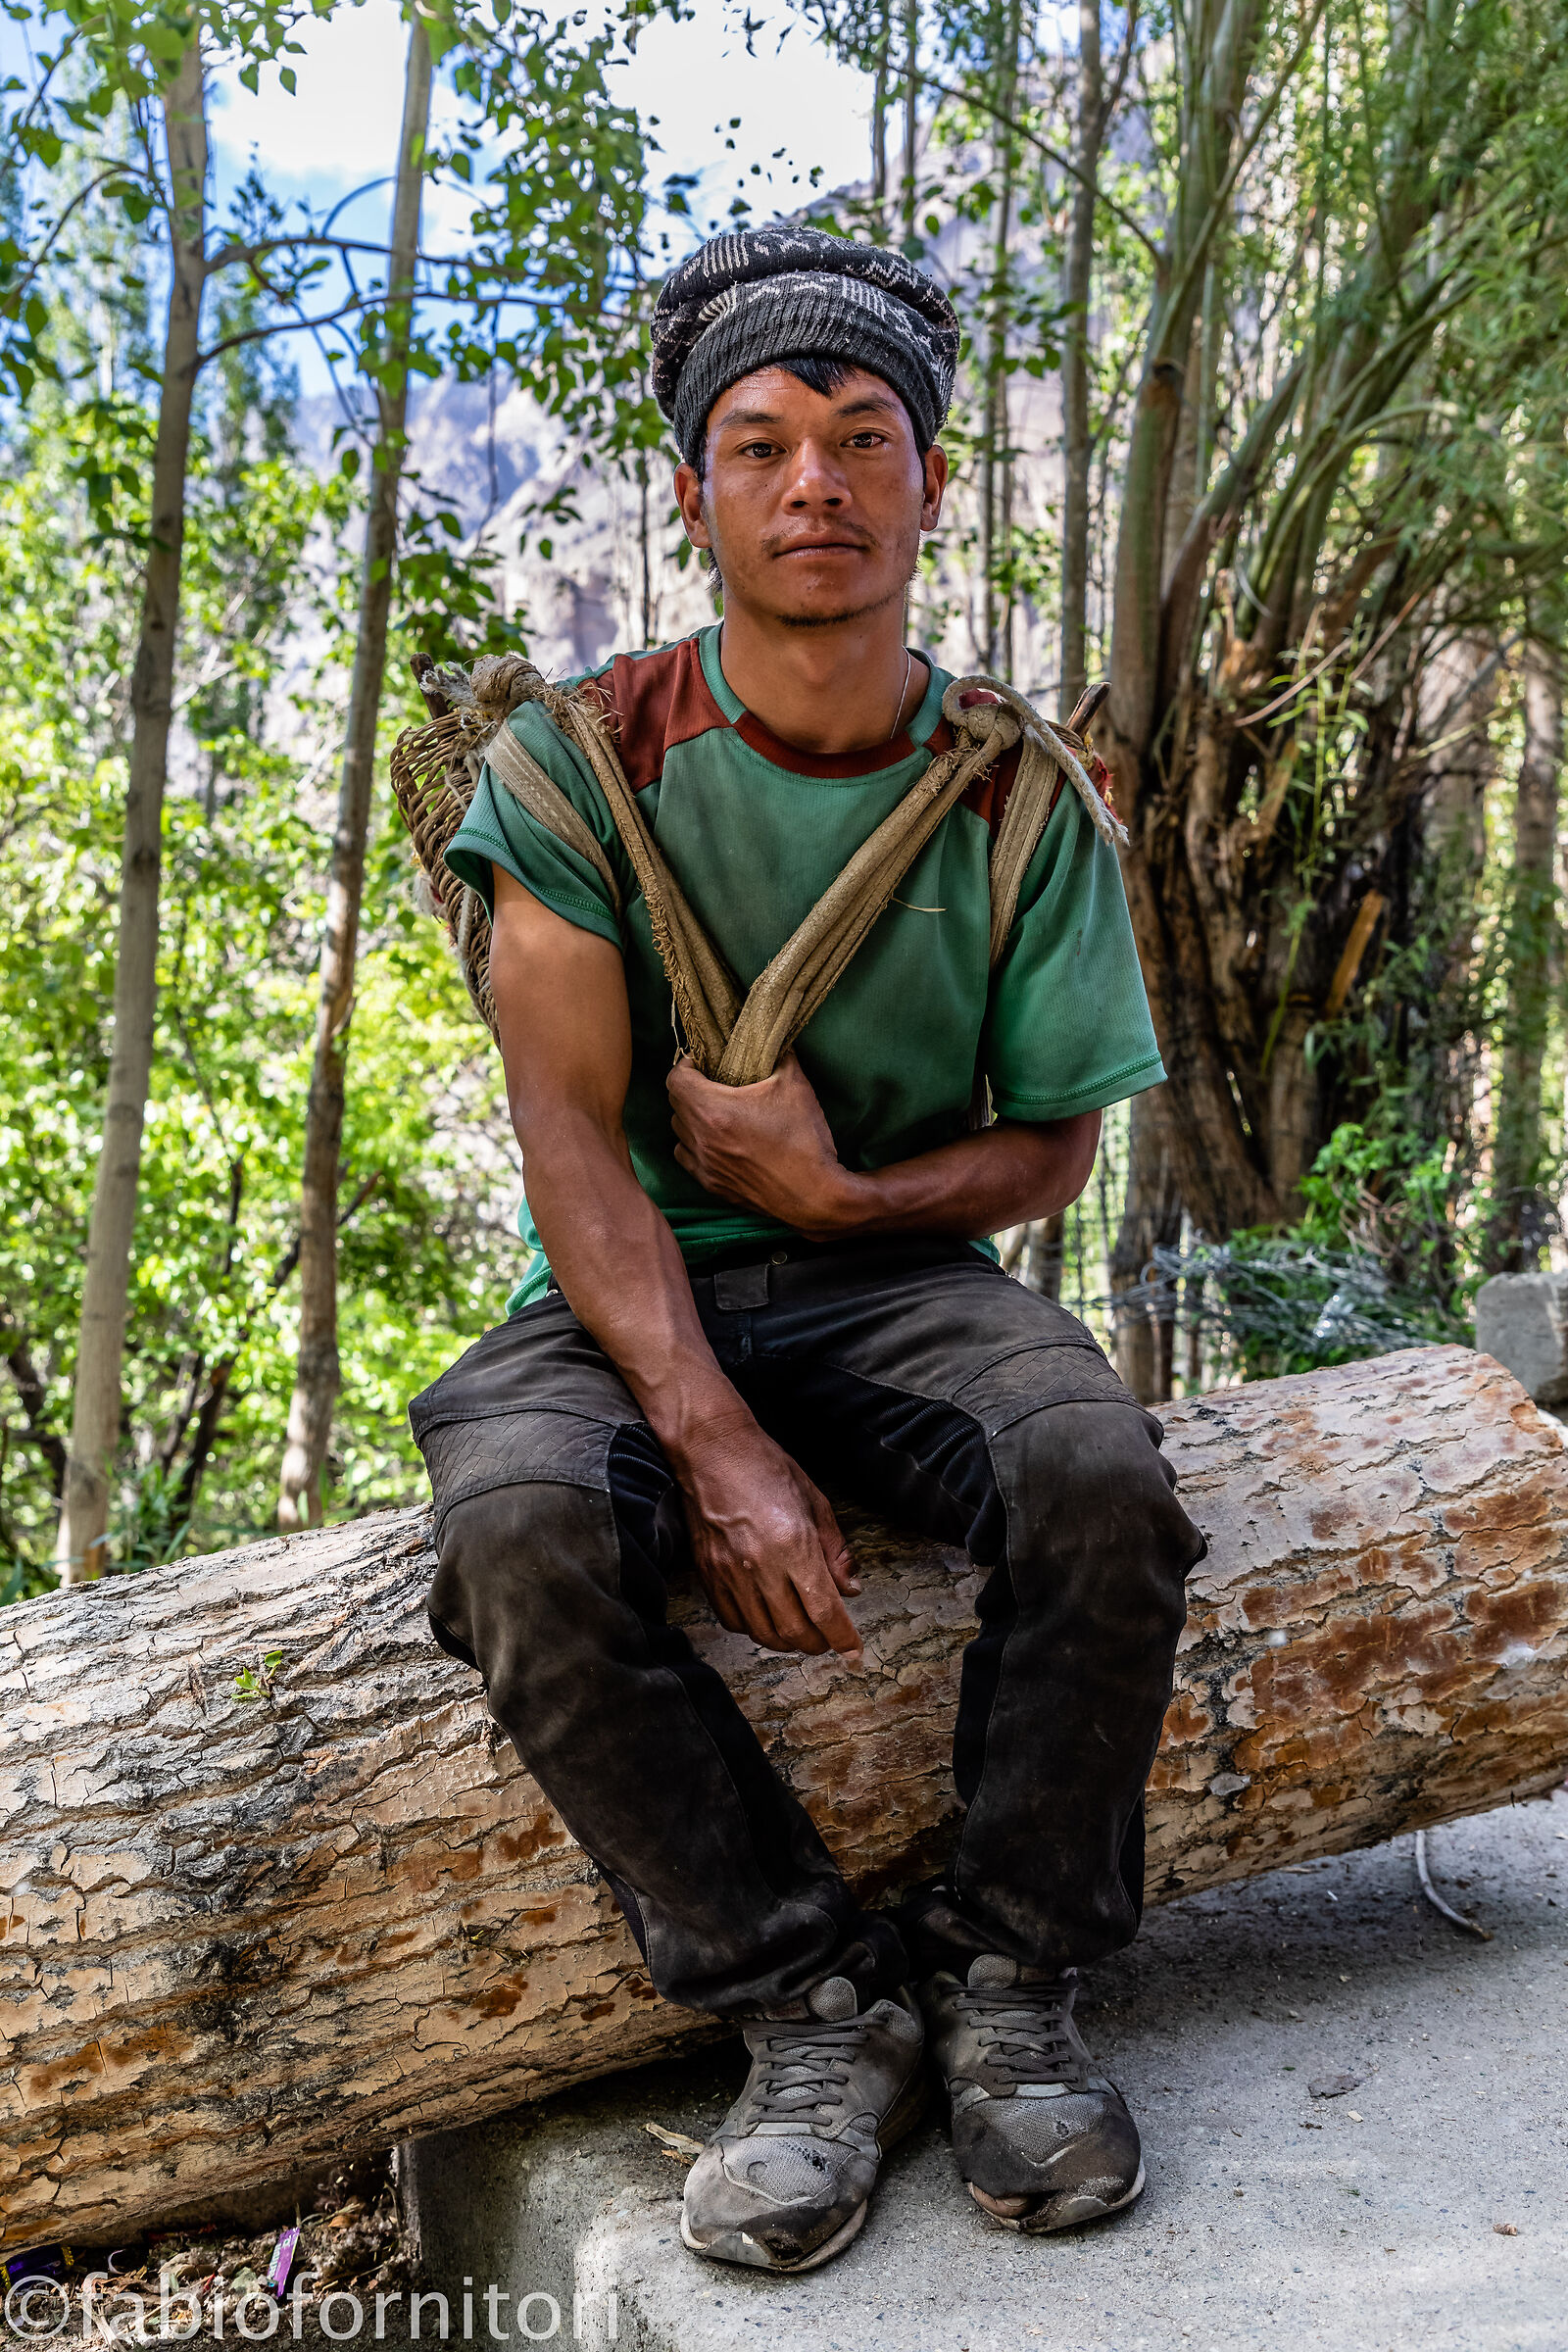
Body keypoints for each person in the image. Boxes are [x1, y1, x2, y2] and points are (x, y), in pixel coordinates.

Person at [409, 224, 1204, 2277]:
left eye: (862, 441)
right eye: (758, 446)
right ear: (696, 498)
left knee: (1094, 1476)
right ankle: (807, 2006)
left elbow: (1047, 1143)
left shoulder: (1012, 801)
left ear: (929, 482)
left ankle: (1015, 1982)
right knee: (515, 1531)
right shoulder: (574, 770)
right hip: (617, 1294)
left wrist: (847, 1204)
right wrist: (707, 1433)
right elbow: (567, 1134)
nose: (813, 484)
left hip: (893, 1287)